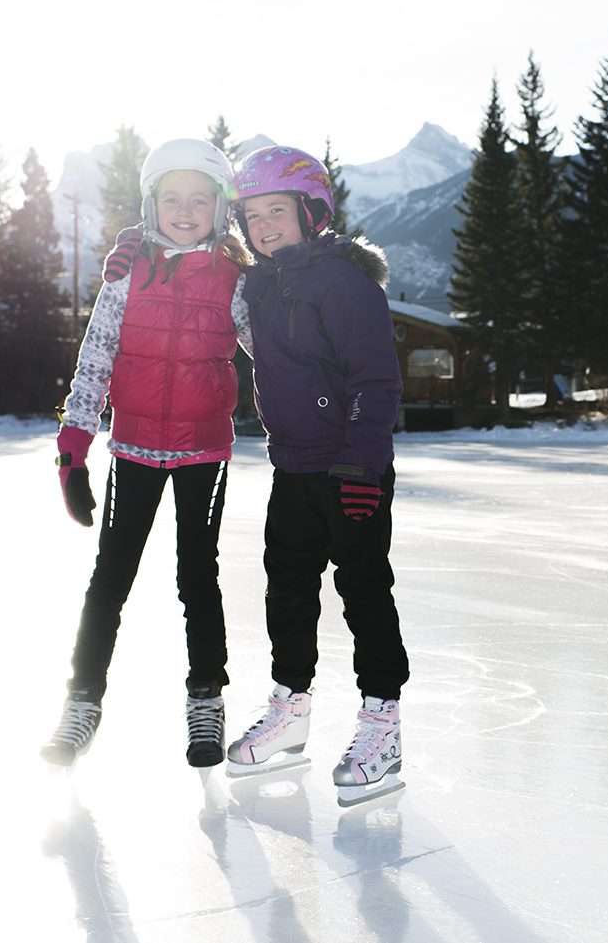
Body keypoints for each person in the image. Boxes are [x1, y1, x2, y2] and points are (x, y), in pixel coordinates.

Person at [43, 138, 252, 769]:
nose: (183, 211)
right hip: (132, 445)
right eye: (171, 199)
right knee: (111, 577)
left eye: (197, 200)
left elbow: (270, 353)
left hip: (203, 452)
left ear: (218, 208)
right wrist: (73, 449)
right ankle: (81, 701)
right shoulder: (127, 272)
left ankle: (206, 701)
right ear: (150, 204)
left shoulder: (235, 279)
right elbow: (96, 356)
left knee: (198, 578)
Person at [221, 145, 409, 807]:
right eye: (252, 215)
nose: (264, 225)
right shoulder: (261, 284)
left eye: (276, 210)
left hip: (351, 467)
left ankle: (381, 724)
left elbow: (376, 380)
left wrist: (363, 462)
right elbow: (219, 299)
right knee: (288, 591)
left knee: (364, 590)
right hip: (294, 463)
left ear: (310, 211)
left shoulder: (343, 282)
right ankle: (291, 711)